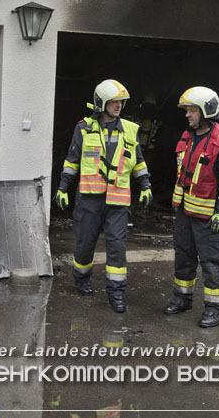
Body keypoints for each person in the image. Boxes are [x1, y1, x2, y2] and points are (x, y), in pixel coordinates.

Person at [55, 80, 153, 313]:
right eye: (114, 102)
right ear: (101, 103)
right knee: (85, 243)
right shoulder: (84, 128)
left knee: (117, 246)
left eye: (121, 102)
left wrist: (146, 185)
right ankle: (81, 278)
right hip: (89, 199)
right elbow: (72, 161)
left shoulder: (129, 129)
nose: (118, 106)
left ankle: (117, 294)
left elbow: (138, 162)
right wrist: (62, 188)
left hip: (118, 202)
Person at [164, 86, 219, 328]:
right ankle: (182, 299)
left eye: (192, 110)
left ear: (207, 111)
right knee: (183, 257)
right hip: (185, 212)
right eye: (187, 110)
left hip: (209, 217)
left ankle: (216, 309)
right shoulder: (187, 138)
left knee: (211, 262)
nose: (187, 115)